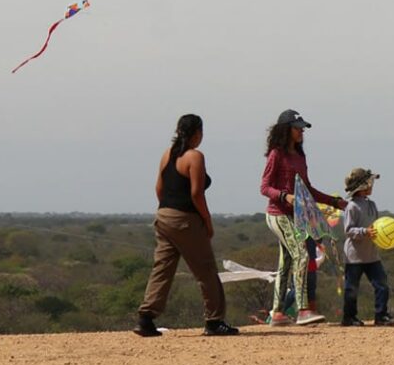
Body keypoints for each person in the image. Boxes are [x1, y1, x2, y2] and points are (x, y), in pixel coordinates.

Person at [134, 114, 238, 337]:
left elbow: (159, 189)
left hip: (163, 216)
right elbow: (196, 193)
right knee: (206, 269)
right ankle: (214, 320)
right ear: (197, 133)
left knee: (162, 268)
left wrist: (167, 210)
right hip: (185, 220)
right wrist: (206, 221)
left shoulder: (167, 155)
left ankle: (146, 318)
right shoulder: (195, 157)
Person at [259, 109, 346, 326]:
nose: (301, 133)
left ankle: (277, 313)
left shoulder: (299, 157)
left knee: (286, 263)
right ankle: (303, 309)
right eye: (297, 129)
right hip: (278, 215)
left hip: (297, 216)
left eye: (302, 129)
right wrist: (283, 196)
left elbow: (308, 189)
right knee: (302, 255)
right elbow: (264, 187)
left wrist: (333, 201)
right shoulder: (276, 154)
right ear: (286, 130)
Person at [341, 167, 394, 327]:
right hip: (354, 256)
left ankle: (381, 315)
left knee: (382, 284)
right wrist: (365, 231)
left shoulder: (372, 205)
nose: (372, 186)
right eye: (370, 183)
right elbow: (348, 230)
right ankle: (349, 317)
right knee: (351, 289)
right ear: (362, 186)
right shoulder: (351, 207)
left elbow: (378, 226)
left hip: (372, 255)